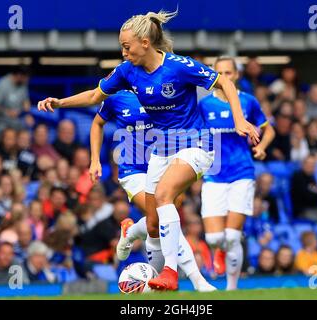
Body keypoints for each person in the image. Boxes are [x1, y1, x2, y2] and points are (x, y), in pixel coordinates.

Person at [37, 10, 259, 291]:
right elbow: (95, 96)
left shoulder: (179, 66)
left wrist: (239, 119)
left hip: (196, 144)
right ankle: (136, 236)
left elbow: (224, 82)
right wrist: (59, 102)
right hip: (162, 151)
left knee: (165, 196)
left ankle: (171, 272)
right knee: (154, 219)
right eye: (121, 47)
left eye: (126, 46)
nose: (123, 52)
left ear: (145, 43)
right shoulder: (126, 71)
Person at [89, 89, 216, 291]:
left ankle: (130, 231)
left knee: (155, 224)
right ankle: (197, 280)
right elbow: (97, 122)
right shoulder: (118, 94)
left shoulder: (165, 90)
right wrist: (95, 159)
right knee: (159, 217)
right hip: (133, 171)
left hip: (165, 163)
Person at [198, 56, 275, 290]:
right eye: (219, 73)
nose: (224, 77)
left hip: (242, 172)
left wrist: (260, 147)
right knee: (213, 239)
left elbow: (268, 130)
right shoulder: (204, 105)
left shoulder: (248, 102)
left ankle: (231, 289)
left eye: (228, 73)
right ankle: (220, 255)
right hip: (213, 175)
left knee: (232, 236)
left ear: (237, 75)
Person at [0, 65, 31, 134]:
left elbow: (26, 102)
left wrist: (28, 115)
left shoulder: (23, 85)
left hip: (17, 124)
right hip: (1, 125)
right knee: (10, 135)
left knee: (26, 135)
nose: (27, 80)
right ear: (19, 75)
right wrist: (7, 112)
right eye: (26, 78)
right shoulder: (2, 84)